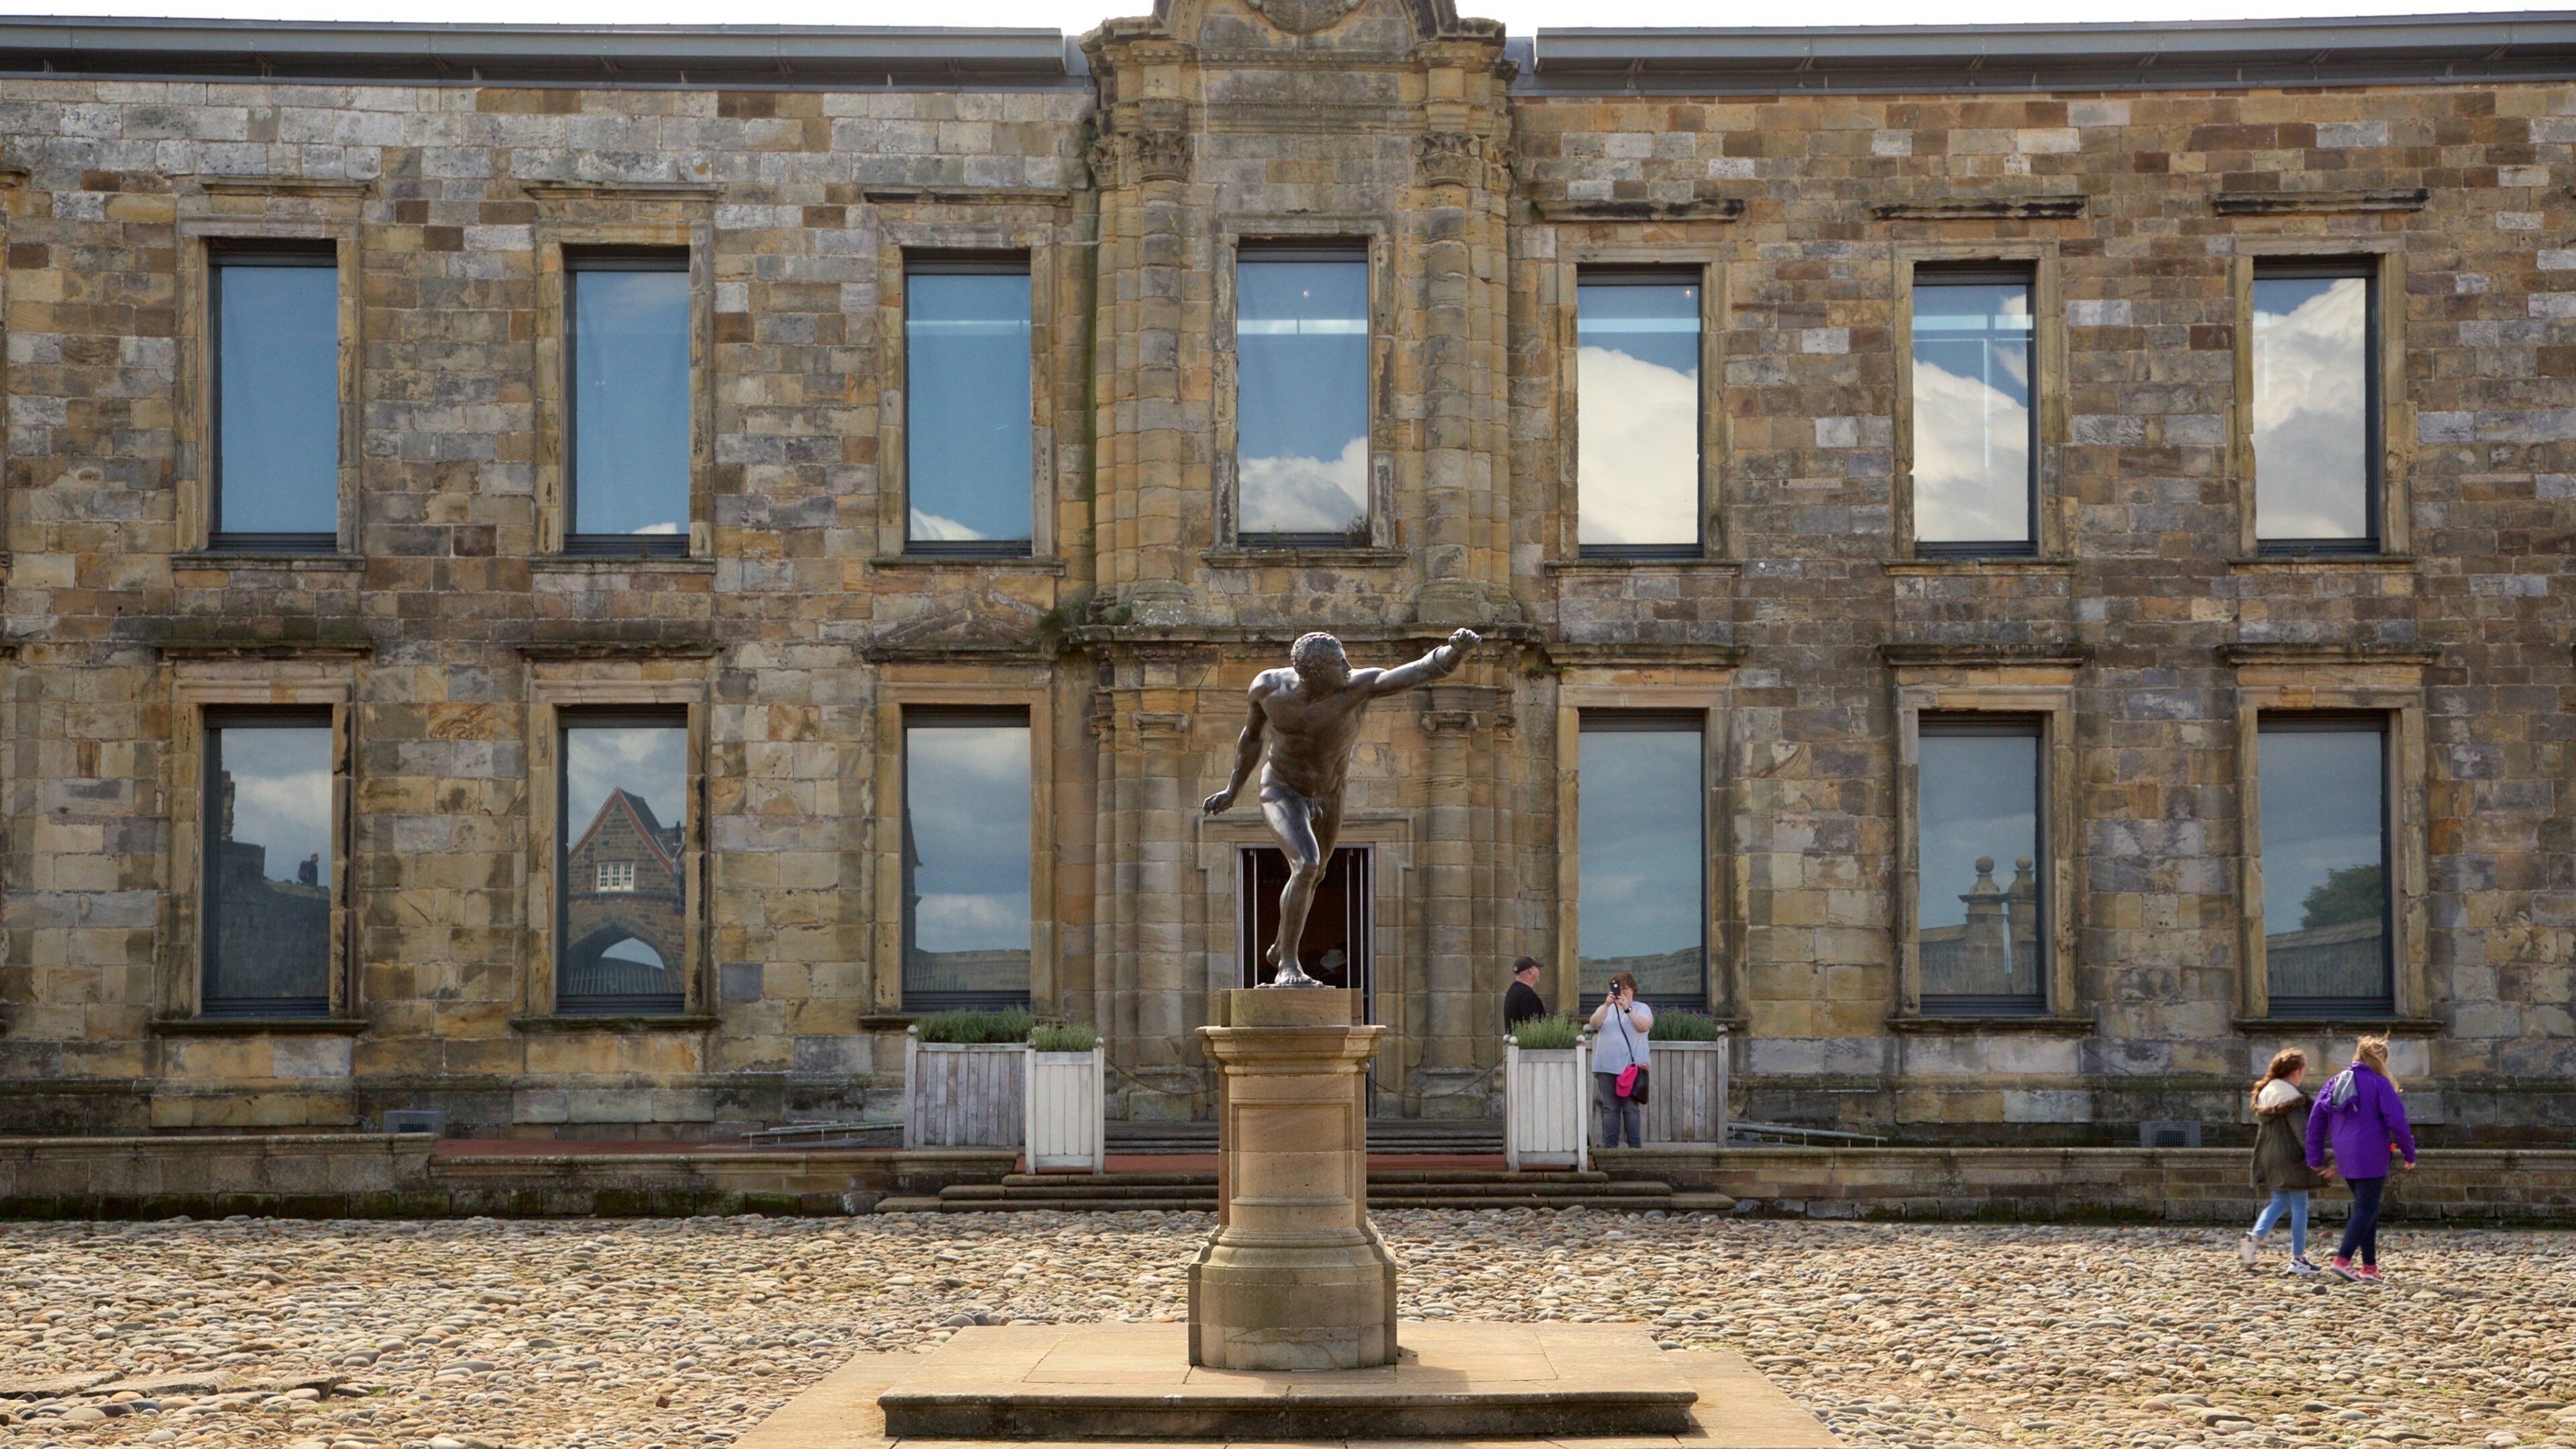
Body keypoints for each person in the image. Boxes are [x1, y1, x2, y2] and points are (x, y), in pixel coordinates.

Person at [1203, 628, 1483, 986]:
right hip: (1282, 788)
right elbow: (1251, 739)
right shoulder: (1268, 689)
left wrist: (1454, 651)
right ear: (1316, 674)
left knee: (1315, 875)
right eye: (1339, 663)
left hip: (1331, 792)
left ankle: (1279, 945)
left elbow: (1415, 672)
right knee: (1306, 865)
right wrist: (1231, 790)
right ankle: (1288, 964)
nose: (1349, 666)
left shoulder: (1357, 687)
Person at [2307, 1034, 2418, 1284]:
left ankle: (2370, 1267)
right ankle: (2343, 1259)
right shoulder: (2379, 1084)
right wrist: (2409, 1153)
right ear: (2382, 1060)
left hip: (2345, 1154)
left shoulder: (2334, 1083)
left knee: (2367, 1209)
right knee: (2366, 1208)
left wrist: (2315, 1157)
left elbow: (2316, 1122)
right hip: (2372, 1152)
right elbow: (2398, 1122)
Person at [2241, 1048, 2332, 1275]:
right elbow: (2303, 1133)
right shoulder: (2291, 1097)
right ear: (2296, 1072)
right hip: (2291, 1158)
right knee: (2300, 1204)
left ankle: (2250, 1243)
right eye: (2303, 1070)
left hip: (2268, 1155)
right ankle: (2298, 1258)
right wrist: (2321, 1159)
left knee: (2279, 1202)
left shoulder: (2266, 1093)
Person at [1587, 972, 1653, 1148]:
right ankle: (1611, 1148)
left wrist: (1627, 1009)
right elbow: (1594, 1023)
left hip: (1630, 1069)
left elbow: (1643, 1027)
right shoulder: (1606, 1009)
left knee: (1631, 1109)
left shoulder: (1641, 1008)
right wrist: (1606, 1005)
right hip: (1606, 1067)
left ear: (1633, 989)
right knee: (1610, 1108)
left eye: (1626, 988)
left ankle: (1635, 1149)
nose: (1622, 992)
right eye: (1618, 988)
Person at [1503, 957, 1548, 1032]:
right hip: (1525, 1043)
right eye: (1538, 968)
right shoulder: (1527, 994)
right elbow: (1534, 1028)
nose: (1539, 971)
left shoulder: (1513, 990)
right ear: (1531, 971)